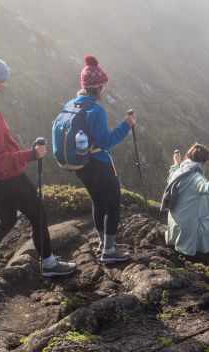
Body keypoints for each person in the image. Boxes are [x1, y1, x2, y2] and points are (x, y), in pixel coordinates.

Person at [0, 53, 76, 288]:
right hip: (7, 177)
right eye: (3, 79)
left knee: (6, 221)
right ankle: (50, 264)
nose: (5, 83)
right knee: (38, 214)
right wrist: (33, 154)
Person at [70, 55, 136, 264]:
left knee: (98, 202)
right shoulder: (96, 110)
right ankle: (109, 250)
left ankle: (102, 243)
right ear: (99, 86)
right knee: (113, 203)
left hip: (80, 164)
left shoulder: (73, 104)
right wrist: (127, 124)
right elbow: (106, 141)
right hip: (99, 164)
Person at [165, 144, 209, 257]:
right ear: (203, 162)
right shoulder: (195, 176)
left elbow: (171, 177)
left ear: (187, 157)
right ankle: (200, 250)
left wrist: (176, 163)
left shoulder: (179, 171)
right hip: (188, 223)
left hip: (176, 219)